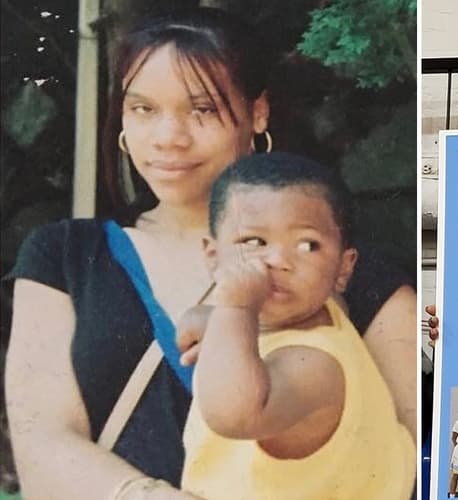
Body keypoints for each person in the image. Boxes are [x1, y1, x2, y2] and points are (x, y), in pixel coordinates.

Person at [4, 8, 416, 499]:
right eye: (143, 110)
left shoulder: (348, 269)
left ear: (257, 113)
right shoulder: (65, 256)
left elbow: (419, 445)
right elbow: (41, 440)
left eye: (202, 110)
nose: (169, 138)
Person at [179, 152, 413, 499]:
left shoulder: (317, 366)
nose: (278, 260)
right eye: (254, 242)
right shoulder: (313, 318)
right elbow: (191, 331)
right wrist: (219, 321)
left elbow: (234, 415)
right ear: (212, 256)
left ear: (343, 268)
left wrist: (234, 307)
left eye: (307, 245)